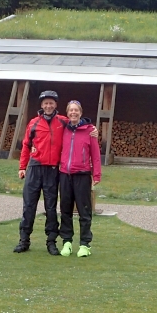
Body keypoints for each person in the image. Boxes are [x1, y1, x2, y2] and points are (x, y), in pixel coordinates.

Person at [15, 91, 97, 254]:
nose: (48, 106)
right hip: (35, 167)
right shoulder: (34, 123)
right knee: (29, 205)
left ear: (56, 105)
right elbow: (26, 145)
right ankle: (24, 240)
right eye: (45, 103)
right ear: (41, 105)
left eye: (51, 103)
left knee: (51, 207)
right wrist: (22, 167)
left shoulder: (63, 121)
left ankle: (51, 241)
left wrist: (92, 128)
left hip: (52, 170)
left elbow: (79, 124)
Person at [57, 100, 101, 258]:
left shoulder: (89, 131)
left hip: (82, 174)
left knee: (84, 211)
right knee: (65, 210)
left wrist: (96, 174)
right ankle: (67, 242)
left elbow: (95, 155)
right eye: (70, 110)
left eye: (76, 110)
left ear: (81, 112)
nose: (73, 113)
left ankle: (84, 244)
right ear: (67, 113)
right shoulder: (63, 128)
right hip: (64, 174)